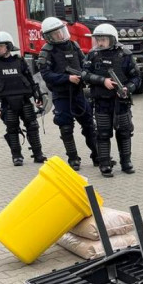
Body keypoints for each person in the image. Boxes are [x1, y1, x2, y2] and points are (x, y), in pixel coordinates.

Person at [36, 17, 99, 171]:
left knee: (90, 125)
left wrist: (86, 76)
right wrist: (67, 78)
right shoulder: (47, 51)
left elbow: (84, 63)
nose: (60, 35)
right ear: (49, 36)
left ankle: (98, 155)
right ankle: (73, 158)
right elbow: (46, 75)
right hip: (61, 95)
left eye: (61, 31)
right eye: (56, 33)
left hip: (78, 93)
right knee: (65, 127)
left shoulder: (74, 45)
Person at [81, 23, 141, 176]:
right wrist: (102, 81)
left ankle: (126, 162)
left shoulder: (125, 55)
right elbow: (84, 75)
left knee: (124, 132)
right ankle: (105, 164)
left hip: (121, 102)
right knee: (102, 134)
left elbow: (136, 77)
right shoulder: (93, 55)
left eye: (103, 40)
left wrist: (128, 88)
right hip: (101, 102)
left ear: (112, 39)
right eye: (98, 39)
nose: (100, 43)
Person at [0, 31, 46, 166]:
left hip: (24, 101)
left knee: (33, 126)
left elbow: (31, 81)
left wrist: (37, 97)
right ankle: (16, 156)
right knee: (12, 129)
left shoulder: (20, 61)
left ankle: (38, 154)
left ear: (8, 46)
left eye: (0, 46)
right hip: (7, 103)